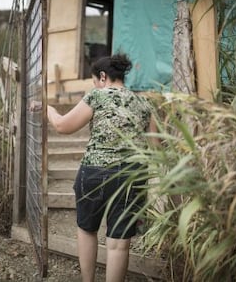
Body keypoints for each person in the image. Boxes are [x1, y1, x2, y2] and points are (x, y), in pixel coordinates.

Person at [30, 53, 155, 282]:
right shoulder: (144, 103)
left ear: (103, 76)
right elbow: (155, 146)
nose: (96, 85)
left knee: (87, 229)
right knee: (119, 244)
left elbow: (62, 126)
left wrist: (47, 108)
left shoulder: (97, 96)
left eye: (95, 81)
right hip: (132, 176)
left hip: (96, 171)